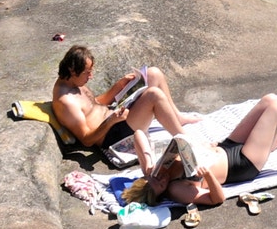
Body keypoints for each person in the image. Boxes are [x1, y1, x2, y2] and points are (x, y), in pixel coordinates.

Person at [123, 94, 277, 209]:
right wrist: (206, 175)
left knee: (269, 100)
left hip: (225, 147)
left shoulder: (154, 170)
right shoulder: (177, 190)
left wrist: (149, 164)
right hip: (242, 164)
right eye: (160, 185)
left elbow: (140, 134)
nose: (161, 180)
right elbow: (216, 199)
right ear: (161, 194)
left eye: (155, 180)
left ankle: (273, 142)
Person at [51, 45, 200, 175]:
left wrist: (119, 86)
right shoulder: (66, 103)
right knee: (154, 95)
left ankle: (177, 117)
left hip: (115, 116)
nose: (91, 76)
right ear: (72, 70)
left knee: (153, 73)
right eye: (87, 73)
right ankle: (185, 140)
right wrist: (111, 121)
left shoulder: (75, 82)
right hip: (113, 135)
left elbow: (94, 103)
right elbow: (87, 139)